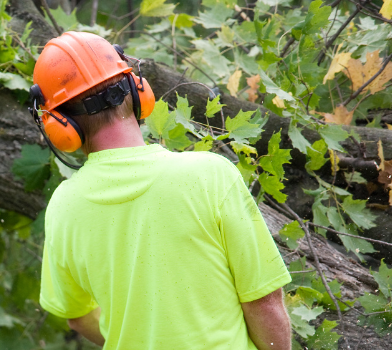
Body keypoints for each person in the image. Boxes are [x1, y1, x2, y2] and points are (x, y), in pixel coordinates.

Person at [30, 31, 293, 349]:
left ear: (59, 124)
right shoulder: (211, 176)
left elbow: (77, 315)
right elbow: (264, 303)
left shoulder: (63, 208)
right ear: (136, 90)